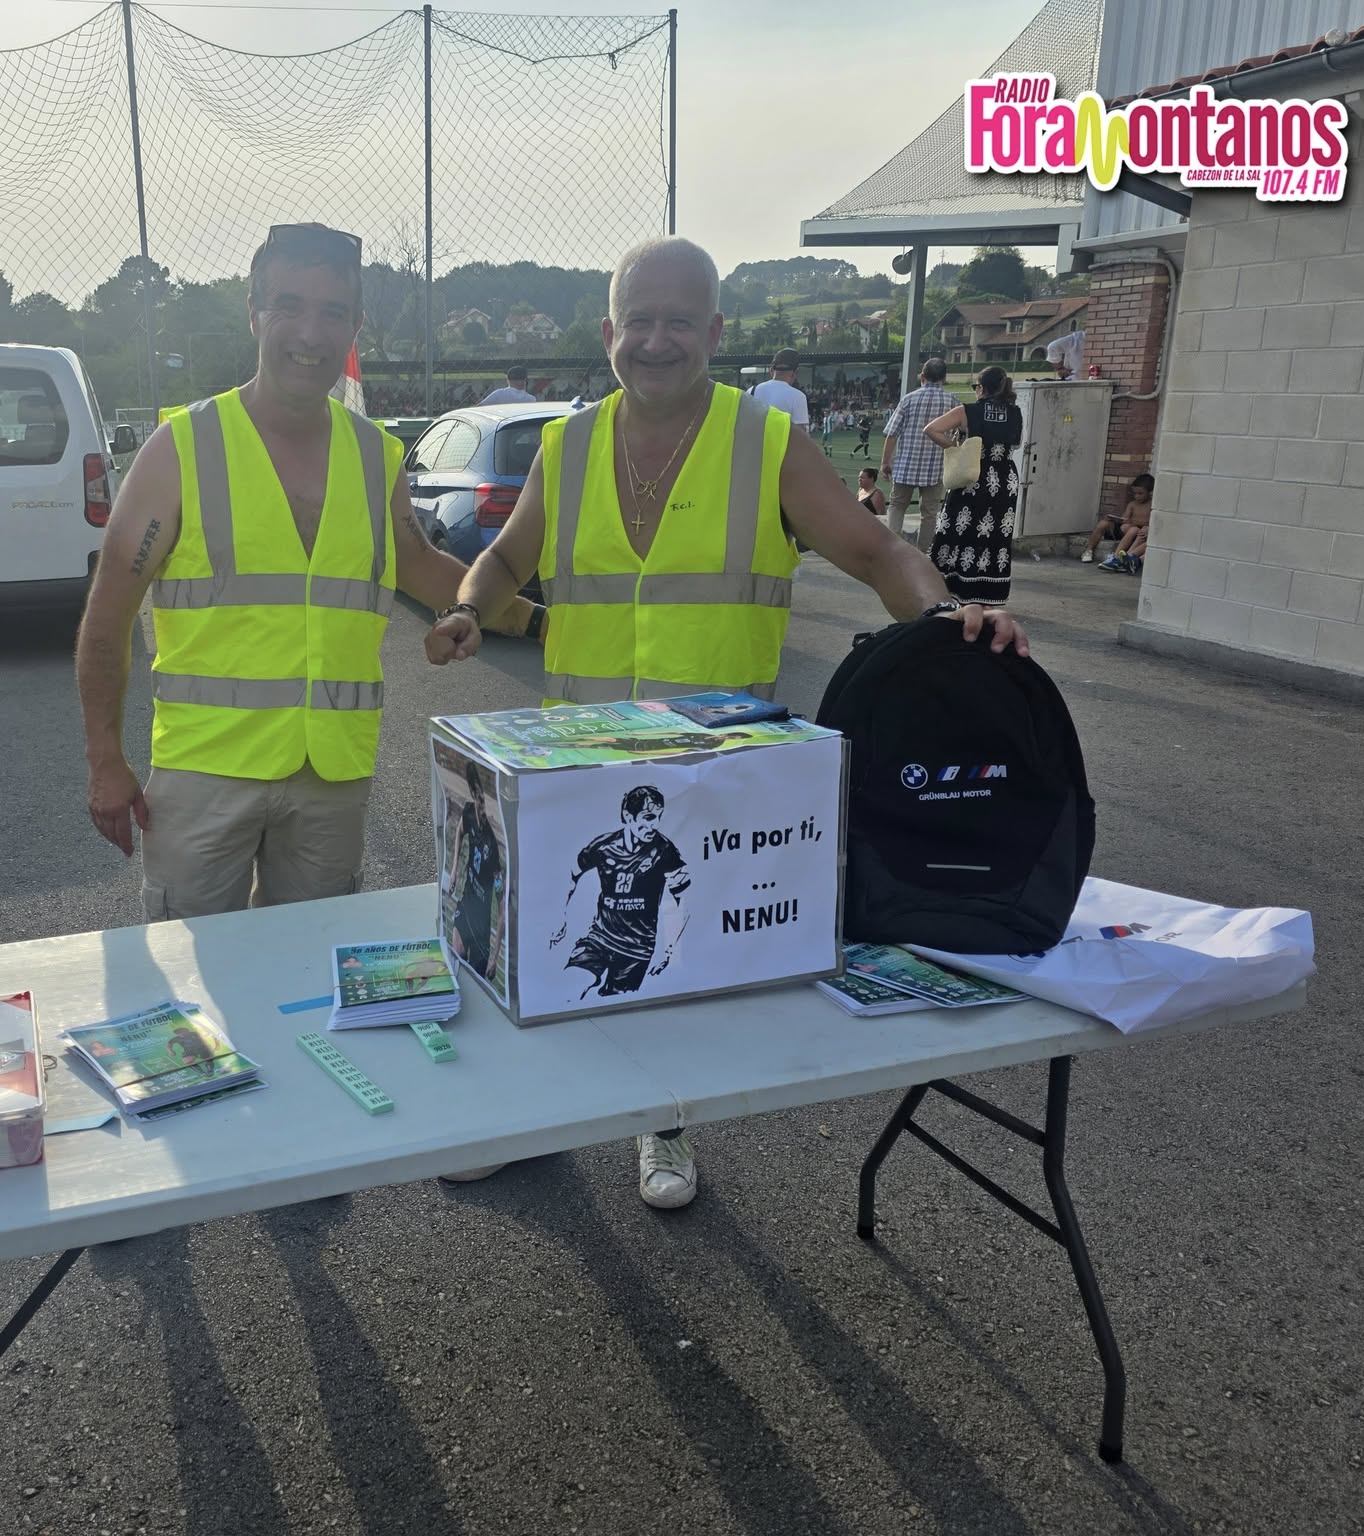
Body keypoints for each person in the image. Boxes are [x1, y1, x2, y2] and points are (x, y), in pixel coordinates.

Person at [424, 235, 1028, 1209]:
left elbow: (878, 554)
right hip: (575, 761)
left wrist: (946, 616)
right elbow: (504, 559)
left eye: (678, 321)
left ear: (712, 333)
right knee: (555, 944)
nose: (656, 340)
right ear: (609, 333)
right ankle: (533, 1119)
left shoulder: (766, 444)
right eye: (639, 321)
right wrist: (466, 605)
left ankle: (662, 1122)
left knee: (672, 959)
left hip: (707, 768)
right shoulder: (567, 447)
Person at [76, 222, 542, 919]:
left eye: (332, 312)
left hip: (332, 775)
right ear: (254, 312)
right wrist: (105, 761)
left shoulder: (374, 455)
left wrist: (534, 621)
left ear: (355, 326)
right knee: (202, 974)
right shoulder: (182, 448)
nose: (310, 332)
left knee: (316, 965)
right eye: (289, 305)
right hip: (205, 771)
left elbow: (419, 565)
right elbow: (109, 613)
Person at [550, 785, 691, 999]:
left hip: (637, 951)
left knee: (614, 1006)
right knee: (569, 988)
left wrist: (670, 950)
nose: (654, 825)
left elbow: (684, 900)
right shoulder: (603, 846)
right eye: (648, 817)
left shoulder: (665, 851)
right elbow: (569, 876)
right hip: (599, 938)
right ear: (628, 816)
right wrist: (559, 917)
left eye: (658, 817)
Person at [923, 366, 1024, 605]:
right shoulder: (1015, 412)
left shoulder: (968, 411)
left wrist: (955, 448)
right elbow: (1017, 443)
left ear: (981, 387)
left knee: (959, 529)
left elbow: (932, 429)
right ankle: (989, 593)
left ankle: (954, 586)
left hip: (973, 475)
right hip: (1004, 479)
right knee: (995, 535)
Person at [879, 357, 960, 549]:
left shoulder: (909, 399)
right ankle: (923, 552)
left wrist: (885, 462)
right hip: (935, 467)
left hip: (906, 465)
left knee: (897, 506)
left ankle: (894, 550)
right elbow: (959, 434)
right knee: (929, 513)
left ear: (922, 376)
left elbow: (892, 434)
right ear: (944, 378)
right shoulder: (953, 401)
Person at [443, 760, 503, 983]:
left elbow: (502, 905)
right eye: (476, 795)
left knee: (475, 980)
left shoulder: (492, 844)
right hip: (466, 904)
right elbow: (459, 833)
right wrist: (454, 869)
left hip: (482, 927)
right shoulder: (468, 813)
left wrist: (495, 957)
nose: (480, 802)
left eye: (482, 798)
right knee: (456, 956)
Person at [1087, 472, 1152, 567]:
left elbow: (1150, 524)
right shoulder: (1132, 504)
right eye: (1134, 493)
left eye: (1140, 493)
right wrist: (1117, 519)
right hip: (1125, 530)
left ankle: (1117, 556)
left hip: (1138, 533)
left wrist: (1135, 524)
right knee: (1104, 523)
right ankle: (1089, 551)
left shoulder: (1152, 506)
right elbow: (1124, 518)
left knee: (1134, 529)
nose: (1137, 496)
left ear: (1150, 493)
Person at [748, 348, 810, 428]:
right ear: (795, 373)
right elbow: (801, 432)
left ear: (771, 370)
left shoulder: (752, 391)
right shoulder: (798, 396)